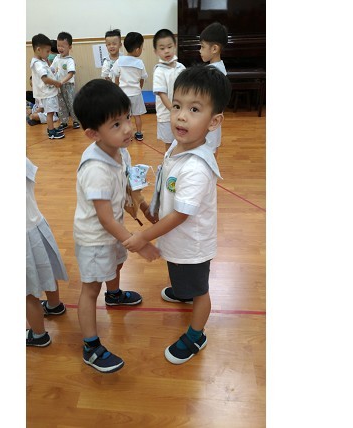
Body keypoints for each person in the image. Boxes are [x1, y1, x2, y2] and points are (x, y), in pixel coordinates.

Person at [123, 66, 232, 365]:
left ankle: (196, 335)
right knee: (179, 272)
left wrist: (144, 236)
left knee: (200, 290)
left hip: (191, 245)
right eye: (177, 106)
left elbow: (181, 216)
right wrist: (148, 205)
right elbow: (169, 190)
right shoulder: (177, 145)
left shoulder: (197, 167)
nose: (181, 116)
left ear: (214, 122)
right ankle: (183, 292)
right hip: (176, 238)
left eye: (194, 109)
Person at [72, 78, 160, 373]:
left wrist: (144, 208)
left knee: (117, 264)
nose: (127, 129)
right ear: (92, 134)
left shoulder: (120, 150)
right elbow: (105, 218)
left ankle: (114, 295)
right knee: (90, 289)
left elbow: (128, 186)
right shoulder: (95, 169)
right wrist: (139, 242)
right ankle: (90, 345)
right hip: (94, 238)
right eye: (116, 124)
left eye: (127, 118)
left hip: (113, 233)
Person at [26, 157, 68, 347]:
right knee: (47, 269)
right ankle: (54, 305)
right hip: (37, 225)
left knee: (27, 292)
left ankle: (38, 335)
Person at [152, 28, 186, 151]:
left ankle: (180, 161)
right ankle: (169, 161)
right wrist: (173, 110)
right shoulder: (159, 71)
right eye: (162, 48)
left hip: (182, 113)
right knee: (169, 143)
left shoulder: (181, 67)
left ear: (175, 46)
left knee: (181, 139)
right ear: (156, 51)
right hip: (166, 116)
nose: (166, 51)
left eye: (169, 47)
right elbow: (162, 94)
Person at [111, 32, 147, 141]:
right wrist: (139, 88)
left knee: (126, 117)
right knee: (137, 116)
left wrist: (117, 90)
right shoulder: (140, 63)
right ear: (137, 49)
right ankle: (139, 133)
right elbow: (142, 79)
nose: (141, 49)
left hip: (123, 95)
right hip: (136, 94)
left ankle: (129, 135)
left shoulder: (119, 61)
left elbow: (116, 77)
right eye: (142, 47)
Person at [199, 22, 228, 157]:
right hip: (214, 120)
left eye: (202, 46)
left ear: (214, 48)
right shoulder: (220, 67)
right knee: (213, 149)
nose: (200, 50)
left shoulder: (213, 73)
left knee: (207, 152)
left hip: (208, 120)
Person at [29, 33, 65, 139]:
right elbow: (45, 79)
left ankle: (51, 128)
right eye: (47, 51)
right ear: (39, 49)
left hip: (48, 92)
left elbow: (48, 72)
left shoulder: (41, 61)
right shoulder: (38, 64)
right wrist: (56, 83)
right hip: (47, 93)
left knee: (51, 111)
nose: (49, 54)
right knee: (50, 113)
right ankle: (51, 131)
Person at [52, 31, 80, 130]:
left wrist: (61, 81)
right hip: (58, 86)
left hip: (68, 85)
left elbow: (71, 73)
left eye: (63, 46)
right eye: (58, 45)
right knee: (61, 104)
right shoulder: (56, 58)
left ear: (70, 47)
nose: (60, 48)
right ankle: (64, 121)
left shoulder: (69, 60)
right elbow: (52, 69)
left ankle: (76, 120)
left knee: (71, 103)